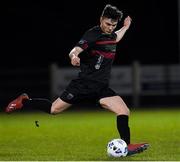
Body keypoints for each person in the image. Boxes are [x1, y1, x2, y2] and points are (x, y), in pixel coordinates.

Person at [5, 4, 149, 156]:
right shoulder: (92, 34)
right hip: (83, 85)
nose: (110, 28)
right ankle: (24, 101)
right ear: (101, 19)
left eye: (113, 25)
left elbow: (116, 37)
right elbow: (75, 50)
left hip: (100, 89)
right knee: (53, 110)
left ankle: (126, 146)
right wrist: (74, 56)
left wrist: (126, 26)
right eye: (107, 24)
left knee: (123, 110)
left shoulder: (111, 35)